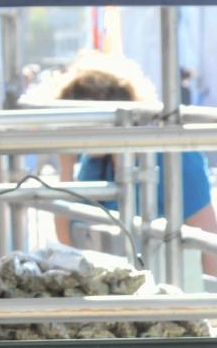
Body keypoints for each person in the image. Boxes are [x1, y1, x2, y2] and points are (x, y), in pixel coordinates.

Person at [52, 52, 217, 276]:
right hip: (117, 287)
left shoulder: (177, 159)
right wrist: (66, 166)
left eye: (79, 122)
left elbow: (208, 243)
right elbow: (70, 244)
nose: (73, 133)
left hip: (169, 287)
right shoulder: (96, 162)